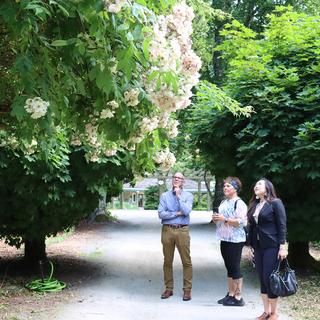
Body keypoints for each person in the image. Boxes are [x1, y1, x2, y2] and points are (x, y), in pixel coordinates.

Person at [247, 178, 287, 320]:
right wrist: (250, 246)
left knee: (269, 278)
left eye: (259, 184)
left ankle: (274, 312)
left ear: (268, 188)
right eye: (255, 184)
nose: (256, 186)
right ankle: (265, 312)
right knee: (262, 279)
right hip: (258, 247)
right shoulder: (255, 204)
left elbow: (282, 225)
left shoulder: (275, 203)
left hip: (272, 246)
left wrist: (282, 247)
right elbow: (252, 227)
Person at [158, 172, 193, 301]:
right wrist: (177, 213)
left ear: (183, 181)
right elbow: (161, 214)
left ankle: (187, 290)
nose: (176, 179)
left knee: (186, 261)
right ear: (172, 180)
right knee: (167, 261)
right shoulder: (165, 196)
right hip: (167, 230)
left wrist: (178, 197)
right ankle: (168, 289)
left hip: (182, 230)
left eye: (179, 178)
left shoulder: (188, 195)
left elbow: (187, 211)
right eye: (174, 177)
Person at [212, 176, 247, 307]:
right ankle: (231, 294)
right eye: (224, 186)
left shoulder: (239, 203)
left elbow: (242, 222)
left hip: (236, 240)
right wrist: (216, 219)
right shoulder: (223, 202)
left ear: (235, 188)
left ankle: (238, 297)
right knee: (229, 267)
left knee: (235, 267)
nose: (225, 188)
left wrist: (224, 219)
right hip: (224, 238)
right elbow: (220, 219)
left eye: (228, 186)